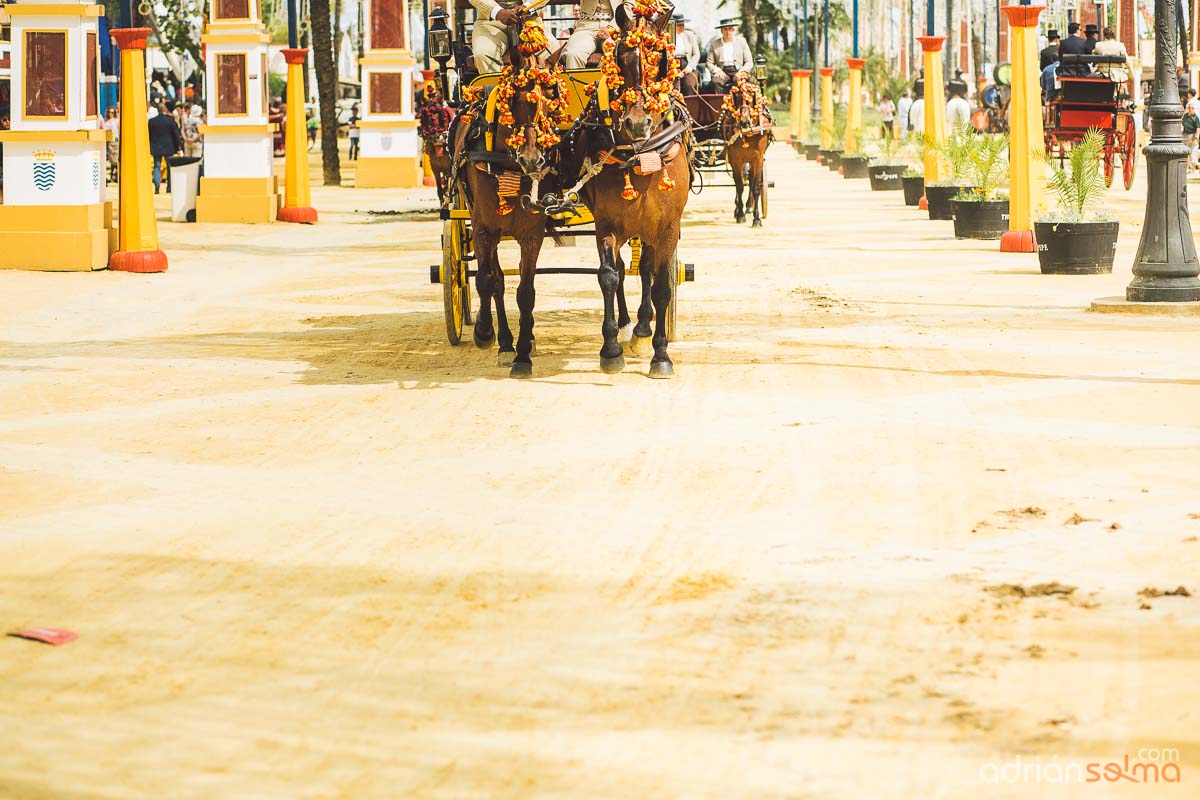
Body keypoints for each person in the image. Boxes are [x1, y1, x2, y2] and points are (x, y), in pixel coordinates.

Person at [561, 0, 626, 70]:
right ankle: (576, 81)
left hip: (615, 26)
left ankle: (599, 80)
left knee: (616, 52)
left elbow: (630, 5)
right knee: (573, 54)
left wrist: (612, 27)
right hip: (585, 27)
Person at [706, 18, 752, 93]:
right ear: (721, 31)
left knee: (743, 80)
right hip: (723, 71)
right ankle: (720, 104)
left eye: (730, 29)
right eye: (725, 29)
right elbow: (709, 62)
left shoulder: (742, 41)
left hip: (738, 69)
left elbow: (749, 61)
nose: (728, 32)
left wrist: (741, 71)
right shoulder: (714, 44)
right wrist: (717, 70)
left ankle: (742, 104)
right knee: (716, 82)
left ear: (733, 30)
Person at [148, 100, 183, 193]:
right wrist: (179, 146)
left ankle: (157, 183)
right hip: (168, 147)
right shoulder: (170, 120)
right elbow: (175, 134)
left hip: (156, 147)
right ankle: (169, 187)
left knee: (157, 166)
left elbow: (149, 135)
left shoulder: (151, 122)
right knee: (169, 166)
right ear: (165, 110)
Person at [671, 12, 700, 96]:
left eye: (682, 25)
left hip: (687, 63)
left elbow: (696, 54)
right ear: (673, 25)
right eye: (679, 25)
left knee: (689, 85)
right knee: (673, 85)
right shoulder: (668, 36)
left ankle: (690, 107)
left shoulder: (690, 35)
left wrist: (689, 67)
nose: (681, 27)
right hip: (672, 64)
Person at [104, 106, 120, 182]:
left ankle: (116, 175)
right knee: (111, 159)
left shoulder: (116, 121)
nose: (111, 114)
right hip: (109, 142)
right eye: (109, 112)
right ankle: (112, 175)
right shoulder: (106, 122)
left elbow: (119, 131)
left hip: (116, 142)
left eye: (112, 112)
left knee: (116, 159)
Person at [1183, 101, 1199, 172]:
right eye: (1189, 108)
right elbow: (1182, 124)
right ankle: (1186, 169)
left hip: (1192, 137)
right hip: (1185, 136)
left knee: (1193, 154)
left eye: (1192, 108)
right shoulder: (1185, 116)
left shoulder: (1196, 117)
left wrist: (1196, 138)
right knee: (1186, 153)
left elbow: (1198, 128)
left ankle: (1193, 170)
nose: (1190, 109)